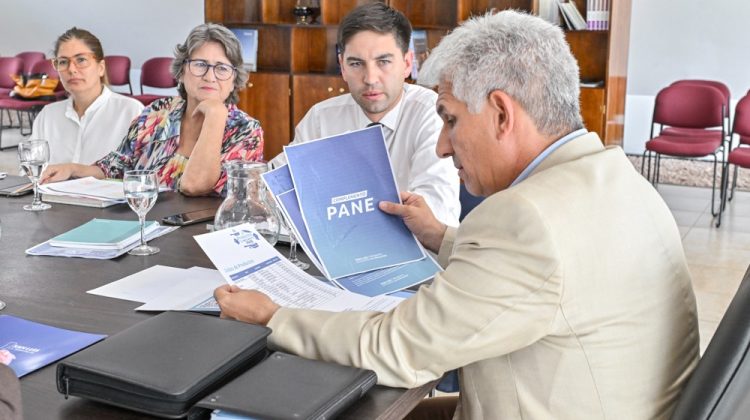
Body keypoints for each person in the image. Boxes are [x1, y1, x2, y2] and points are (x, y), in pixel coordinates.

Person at [215, 10, 699, 420]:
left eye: (449, 120)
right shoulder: (620, 179)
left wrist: (273, 315)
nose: (443, 146)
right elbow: (543, 278)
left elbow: (396, 349)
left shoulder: (526, 218)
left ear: (501, 114)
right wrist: (442, 236)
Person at [270, 3, 460, 226]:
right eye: (356, 63)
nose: (370, 78)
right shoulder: (322, 118)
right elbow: (277, 187)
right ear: (342, 66)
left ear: (407, 63)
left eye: (384, 62)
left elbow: (434, 215)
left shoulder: (432, 115)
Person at [41, 23, 264, 196]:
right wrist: (73, 169)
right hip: (144, 227)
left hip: (201, 240)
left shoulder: (246, 131)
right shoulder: (157, 113)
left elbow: (195, 186)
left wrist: (215, 115)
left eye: (222, 68)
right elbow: (115, 166)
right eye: (200, 64)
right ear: (182, 71)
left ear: (234, 79)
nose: (209, 76)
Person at [31, 27, 144, 165]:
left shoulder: (131, 111)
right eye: (63, 62)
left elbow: (142, 175)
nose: (71, 69)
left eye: (81, 60)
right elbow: (31, 172)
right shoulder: (47, 115)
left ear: (101, 67)